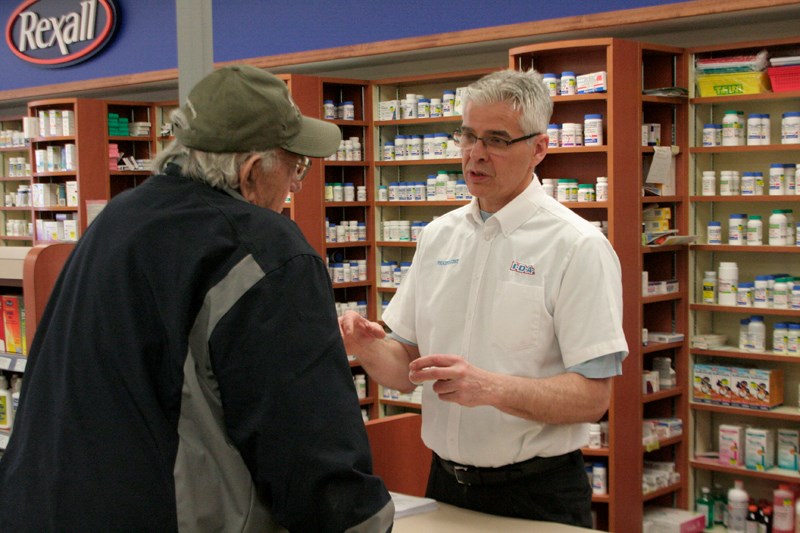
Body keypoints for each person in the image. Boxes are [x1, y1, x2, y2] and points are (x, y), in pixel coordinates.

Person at [0, 65, 393, 532]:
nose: (297, 185)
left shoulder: (120, 217)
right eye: (295, 166)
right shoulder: (263, 249)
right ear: (250, 173)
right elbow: (307, 445)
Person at [339, 69, 628, 528]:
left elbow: (593, 397)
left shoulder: (576, 246)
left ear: (539, 148)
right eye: (468, 136)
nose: (476, 154)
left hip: (538, 493)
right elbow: (407, 369)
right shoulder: (439, 236)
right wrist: (367, 346)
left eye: (496, 139)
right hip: (445, 486)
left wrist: (491, 389)